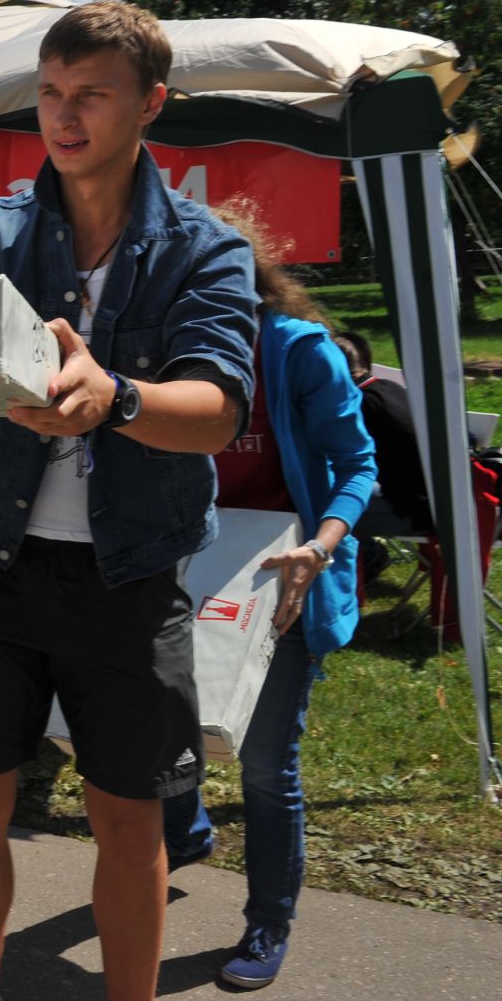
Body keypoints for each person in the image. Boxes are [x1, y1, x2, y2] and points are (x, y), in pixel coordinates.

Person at [0, 0, 259, 1001]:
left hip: (128, 577)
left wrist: (117, 397)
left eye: (91, 93)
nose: (65, 114)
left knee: (130, 820)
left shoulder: (203, 247)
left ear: (152, 104)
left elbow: (218, 407)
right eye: (51, 92)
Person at [161, 207, 376, 989]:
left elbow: (358, 465)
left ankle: (267, 920)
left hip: (284, 577)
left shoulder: (298, 351)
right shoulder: (168, 352)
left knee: (262, 764)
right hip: (188, 567)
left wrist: (319, 548)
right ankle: (184, 833)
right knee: (165, 727)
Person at [331, 330, 435, 537]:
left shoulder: (358, 404)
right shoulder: (391, 388)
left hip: (413, 512)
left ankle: (368, 558)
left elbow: (336, 463)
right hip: (437, 500)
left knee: (321, 510)